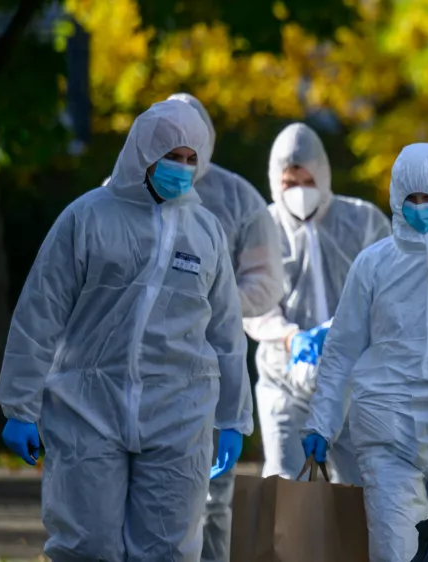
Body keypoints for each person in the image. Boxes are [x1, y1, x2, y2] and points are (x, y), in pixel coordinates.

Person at [0, 100, 252, 562]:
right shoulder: (88, 217)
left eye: (192, 158)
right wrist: (19, 403)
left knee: (168, 550)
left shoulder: (205, 231)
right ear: (143, 154)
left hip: (179, 413)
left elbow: (227, 333)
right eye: (172, 155)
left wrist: (234, 418)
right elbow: (41, 311)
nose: (183, 167)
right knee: (86, 546)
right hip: (86, 409)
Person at [302, 143, 428, 562]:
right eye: (410, 199)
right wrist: (321, 422)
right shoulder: (374, 264)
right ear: (396, 198)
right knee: (395, 549)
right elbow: (342, 348)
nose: (420, 208)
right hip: (388, 430)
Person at [160, 93, 285, 562]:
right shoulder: (120, 192)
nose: (181, 156)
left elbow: (267, 281)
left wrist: (212, 302)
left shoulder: (236, 200)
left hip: (208, 367)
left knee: (212, 502)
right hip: (130, 377)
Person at [244, 123, 391, 484]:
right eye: (289, 184)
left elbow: (388, 288)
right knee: (285, 485)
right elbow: (252, 298)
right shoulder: (261, 225)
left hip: (353, 382)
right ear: (274, 181)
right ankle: (290, 546)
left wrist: (339, 333)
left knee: (363, 489)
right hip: (284, 380)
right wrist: (292, 338)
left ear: (323, 175)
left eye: (307, 182)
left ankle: (351, 545)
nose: (299, 192)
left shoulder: (363, 221)